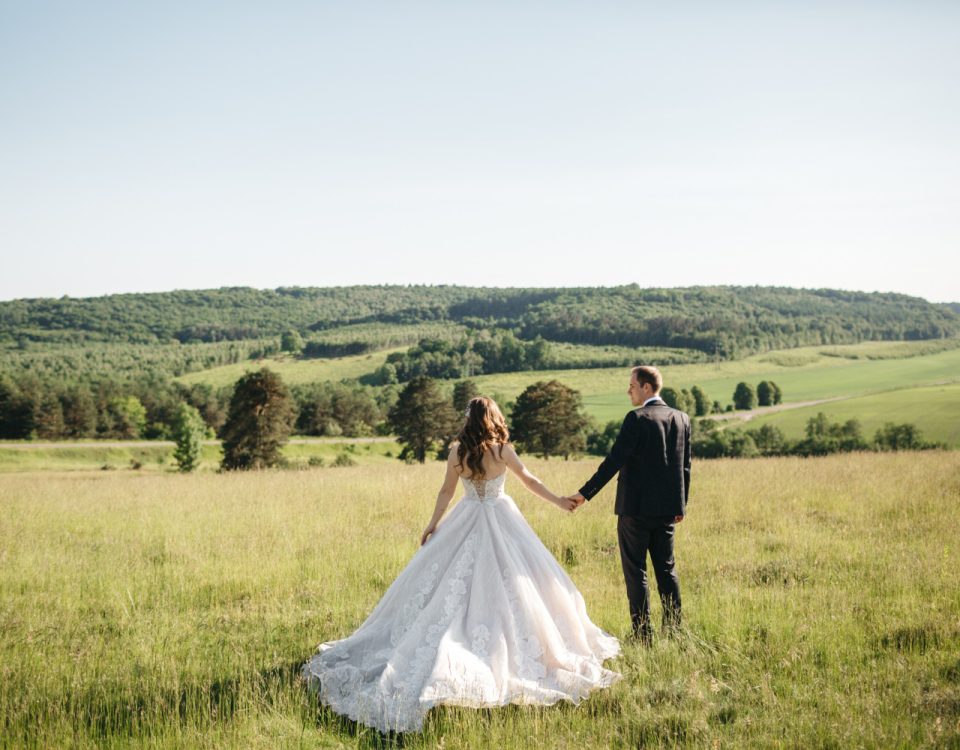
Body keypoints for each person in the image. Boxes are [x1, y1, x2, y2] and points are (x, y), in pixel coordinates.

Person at [301, 396, 620, 734]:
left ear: (469, 420)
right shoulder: (502, 451)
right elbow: (529, 480)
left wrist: (433, 524)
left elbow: (446, 492)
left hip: (466, 516)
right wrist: (560, 501)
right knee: (515, 583)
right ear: (494, 418)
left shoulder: (458, 451)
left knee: (453, 584)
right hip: (501, 516)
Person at [567, 365, 691, 645]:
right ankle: (674, 632)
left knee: (636, 572)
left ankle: (643, 635)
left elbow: (614, 461)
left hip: (634, 509)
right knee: (667, 570)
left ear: (647, 387)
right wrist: (680, 505)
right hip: (667, 511)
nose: (628, 391)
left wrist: (585, 494)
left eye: (632, 386)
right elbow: (685, 467)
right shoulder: (681, 418)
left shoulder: (637, 419)